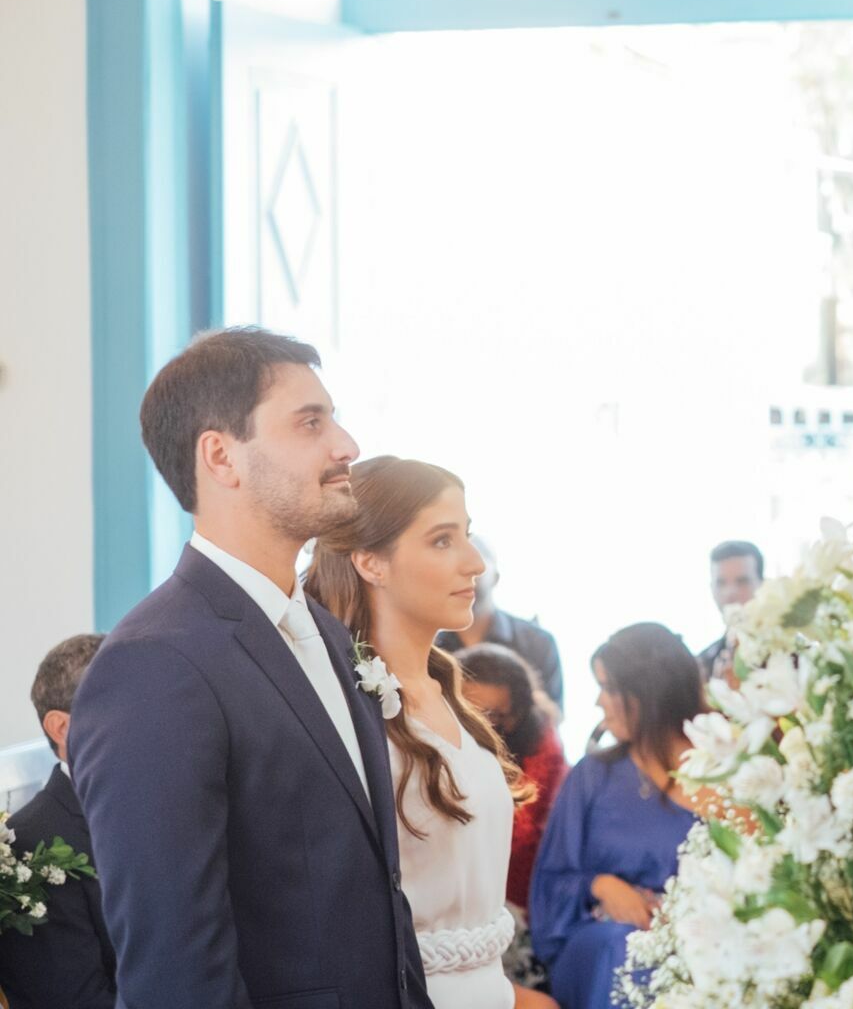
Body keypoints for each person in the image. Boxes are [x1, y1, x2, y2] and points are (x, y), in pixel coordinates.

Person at [69, 327, 431, 1009]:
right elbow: (174, 969)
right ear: (220, 456)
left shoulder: (323, 629)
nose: (346, 445)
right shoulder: (154, 665)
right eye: (310, 422)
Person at [307, 456, 559, 1009]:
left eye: (466, 537)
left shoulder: (451, 696)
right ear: (371, 561)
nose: (474, 563)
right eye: (442, 541)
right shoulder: (336, 710)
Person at [530, 623, 709, 1009]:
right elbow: (548, 884)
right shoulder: (593, 776)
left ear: (651, 693)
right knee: (625, 951)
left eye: (610, 688)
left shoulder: (725, 775)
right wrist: (601, 885)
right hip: (602, 944)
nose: (599, 702)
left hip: (702, 943)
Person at [0, 634, 114, 1008]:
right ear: (61, 728)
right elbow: (74, 999)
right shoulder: (31, 844)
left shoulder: (166, 805)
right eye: (118, 705)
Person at [457, 644, 570, 914]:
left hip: (513, 882)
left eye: (492, 716)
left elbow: (521, 830)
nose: (478, 725)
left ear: (518, 713)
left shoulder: (543, 744)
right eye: (467, 712)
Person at [437, 536, 567, 714]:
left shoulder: (538, 642)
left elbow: (555, 718)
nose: (466, 573)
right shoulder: (434, 647)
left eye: (477, 564)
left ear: (496, 577)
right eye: (456, 567)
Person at [697, 539, 764, 683]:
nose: (730, 593)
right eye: (720, 583)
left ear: (762, 585)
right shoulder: (703, 663)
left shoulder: (793, 654)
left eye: (742, 581)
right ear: (711, 589)